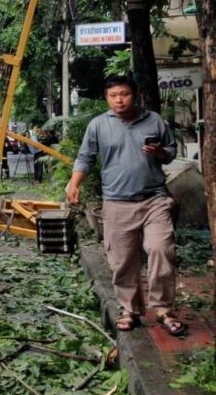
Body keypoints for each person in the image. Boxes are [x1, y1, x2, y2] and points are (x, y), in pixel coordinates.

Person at [66, 75, 186, 336]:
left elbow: (171, 152)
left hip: (154, 198)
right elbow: (85, 157)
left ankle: (164, 308)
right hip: (117, 202)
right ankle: (130, 310)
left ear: (135, 95)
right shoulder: (98, 125)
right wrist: (74, 184)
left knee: (161, 249)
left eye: (124, 94)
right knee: (122, 261)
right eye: (113, 95)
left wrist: (159, 153)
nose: (119, 99)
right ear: (107, 98)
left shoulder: (154, 120)